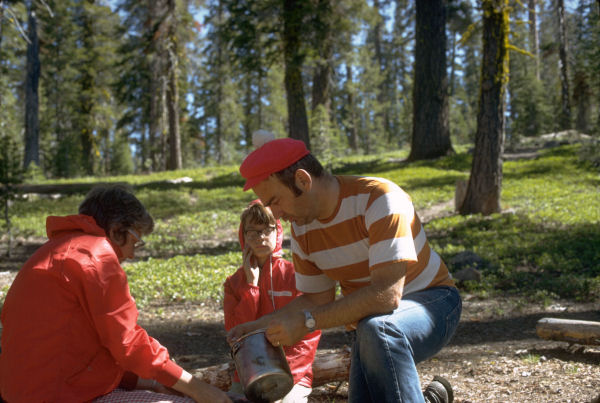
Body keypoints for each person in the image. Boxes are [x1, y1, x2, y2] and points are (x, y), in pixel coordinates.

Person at [228, 138, 462, 403]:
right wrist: (259, 326)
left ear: (303, 181)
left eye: (276, 201)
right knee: (374, 333)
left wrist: (307, 323)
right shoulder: (303, 227)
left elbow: (386, 296)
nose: (277, 215)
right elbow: (316, 299)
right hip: (368, 329)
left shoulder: (380, 199)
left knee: (379, 329)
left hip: (434, 302)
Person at [0, 186, 231, 403]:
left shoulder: (56, 250)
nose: (131, 254)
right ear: (117, 230)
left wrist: (146, 382)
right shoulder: (95, 256)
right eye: (135, 241)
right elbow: (129, 344)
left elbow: (79, 347)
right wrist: (198, 388)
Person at [224, 200, 321, 403]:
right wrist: (251, 287)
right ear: (243, 237)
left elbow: (310, 331)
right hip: (248, 373)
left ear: (277, 232)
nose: (260, 238)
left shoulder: (294, 275)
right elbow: (236, 334)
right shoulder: (234, 283)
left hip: (294, 373)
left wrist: (281, 373)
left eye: (266, 230)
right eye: (252, 232)